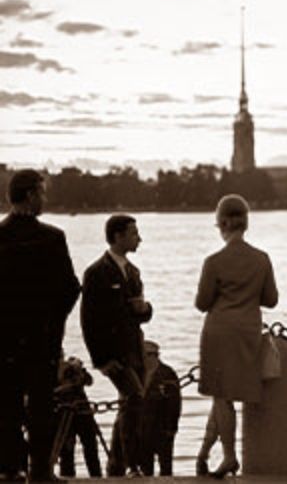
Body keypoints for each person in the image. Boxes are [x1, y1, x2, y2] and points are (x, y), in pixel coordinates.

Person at [0, 169, 80, 482]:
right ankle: (41, 470)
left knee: (6, 404)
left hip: (5, 339)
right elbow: (70, 289)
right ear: (31, 195)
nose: (44, 199)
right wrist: (52, 323)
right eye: (42, 193)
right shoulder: (52, 238)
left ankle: (9, 468)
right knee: (42, 407)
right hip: (42, 339)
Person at [195, 194, 279, 478]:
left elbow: (202, 303)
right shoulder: (261, 259)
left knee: (221, 396)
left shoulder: (214, 262)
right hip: (248, 332)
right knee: (226, 396)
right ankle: (204, 453)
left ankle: (229, 456)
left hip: (219, 332)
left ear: (222, 224)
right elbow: (271, 300)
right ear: (246, 223)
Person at [80, 214, 152, 478]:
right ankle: (133, 465)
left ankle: (115, 467)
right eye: (134, 234)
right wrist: (100, 360)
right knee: (134, 398)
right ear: (118, 236)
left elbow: (140, 316)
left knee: (128, 406)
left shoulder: (133, 272)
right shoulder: (96, 273)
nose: (139, 239)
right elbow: (88, 320)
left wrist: (145, 309)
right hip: (114, 354)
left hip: (135, 350)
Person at [56, 356, 102, 478]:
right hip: (65, 411)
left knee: (90, 445)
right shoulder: (53, 370)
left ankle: (95, 475)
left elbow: (89, 381)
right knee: (67, 449)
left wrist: (80, 371)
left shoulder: (73, 368)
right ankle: (68, 475)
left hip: (82, 410)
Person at [140, 340, 181, 476]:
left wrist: (172, 427)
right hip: (144, 427)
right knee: (146, 467)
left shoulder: (167, 373)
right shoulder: (139, 373)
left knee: (165, 466)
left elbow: (175, 403)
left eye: (144, 355)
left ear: (153, 355)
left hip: (163, 427)